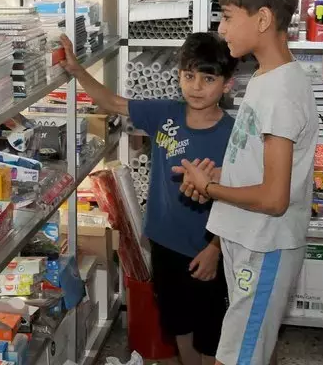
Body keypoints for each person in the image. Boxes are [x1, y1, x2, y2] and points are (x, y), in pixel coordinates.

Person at [59, 31, 238, 365]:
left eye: (208, 78)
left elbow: (237, 201)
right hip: (165, 244)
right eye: (188, 76)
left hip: (209, 249)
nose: (196, 86)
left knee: (211, 331)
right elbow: (112, 103)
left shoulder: (233, 134)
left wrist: (215, 248)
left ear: (227, 84)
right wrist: (78, 70)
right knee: (177, 322)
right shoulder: (165, 114)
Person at [175, 0, 319, 365]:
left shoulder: (282, 92)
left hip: (265, 245)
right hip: (246, 238)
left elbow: (275, 198)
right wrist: (217, 176)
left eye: (227, 16)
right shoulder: (264, 77)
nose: (221, 28)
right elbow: (263, 169)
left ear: (263, 19)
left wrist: (211, 189)